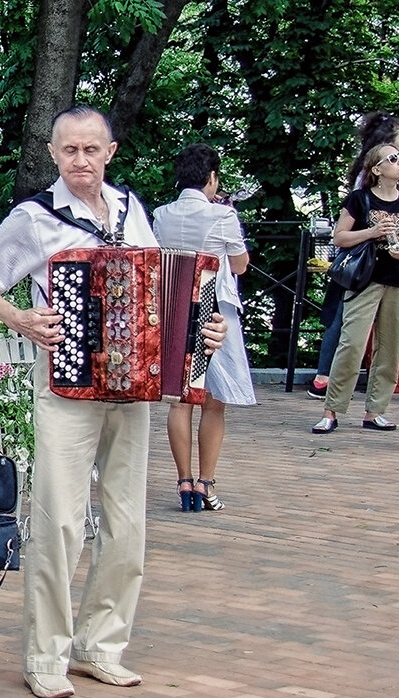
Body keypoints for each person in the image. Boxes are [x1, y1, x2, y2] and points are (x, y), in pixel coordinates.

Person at [0, 106, 226, 698]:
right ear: (54, 155)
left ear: (111, 152)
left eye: (91, 150)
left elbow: (168, 292)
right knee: (59, 520)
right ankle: (45, 656)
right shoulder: (35, 219)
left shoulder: (134, 212)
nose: (81, 161)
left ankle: (100, 646)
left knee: (128, 522)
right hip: (68, 386)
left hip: (133, 389)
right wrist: (20, 318)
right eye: (70, 151)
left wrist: (199, 333)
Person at [153, 144, 256, 512]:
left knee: (181, 399)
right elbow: (241, 264)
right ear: (211, 177)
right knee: (215, 400)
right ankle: (206, 482)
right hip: (216, 309)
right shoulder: (222, 215)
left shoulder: (162, 214)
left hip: (175, 308)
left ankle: (183, 482)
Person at [312, 143, 399, 434]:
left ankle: (375, 411)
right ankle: (331, 411)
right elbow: (339, 237)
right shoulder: (359, 199)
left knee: (390, 348)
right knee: (351, 343)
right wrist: (372, 233)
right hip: (365, 279)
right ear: (377, 169)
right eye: (393, 158)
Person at [308, 112, 399, 398]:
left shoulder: (388, 180)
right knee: (346, 323)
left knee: (348, 321)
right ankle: (326, 379)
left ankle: (328, 379)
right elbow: (351, 225)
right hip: (362, 261)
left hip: (376, 263)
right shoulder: (368, 183)